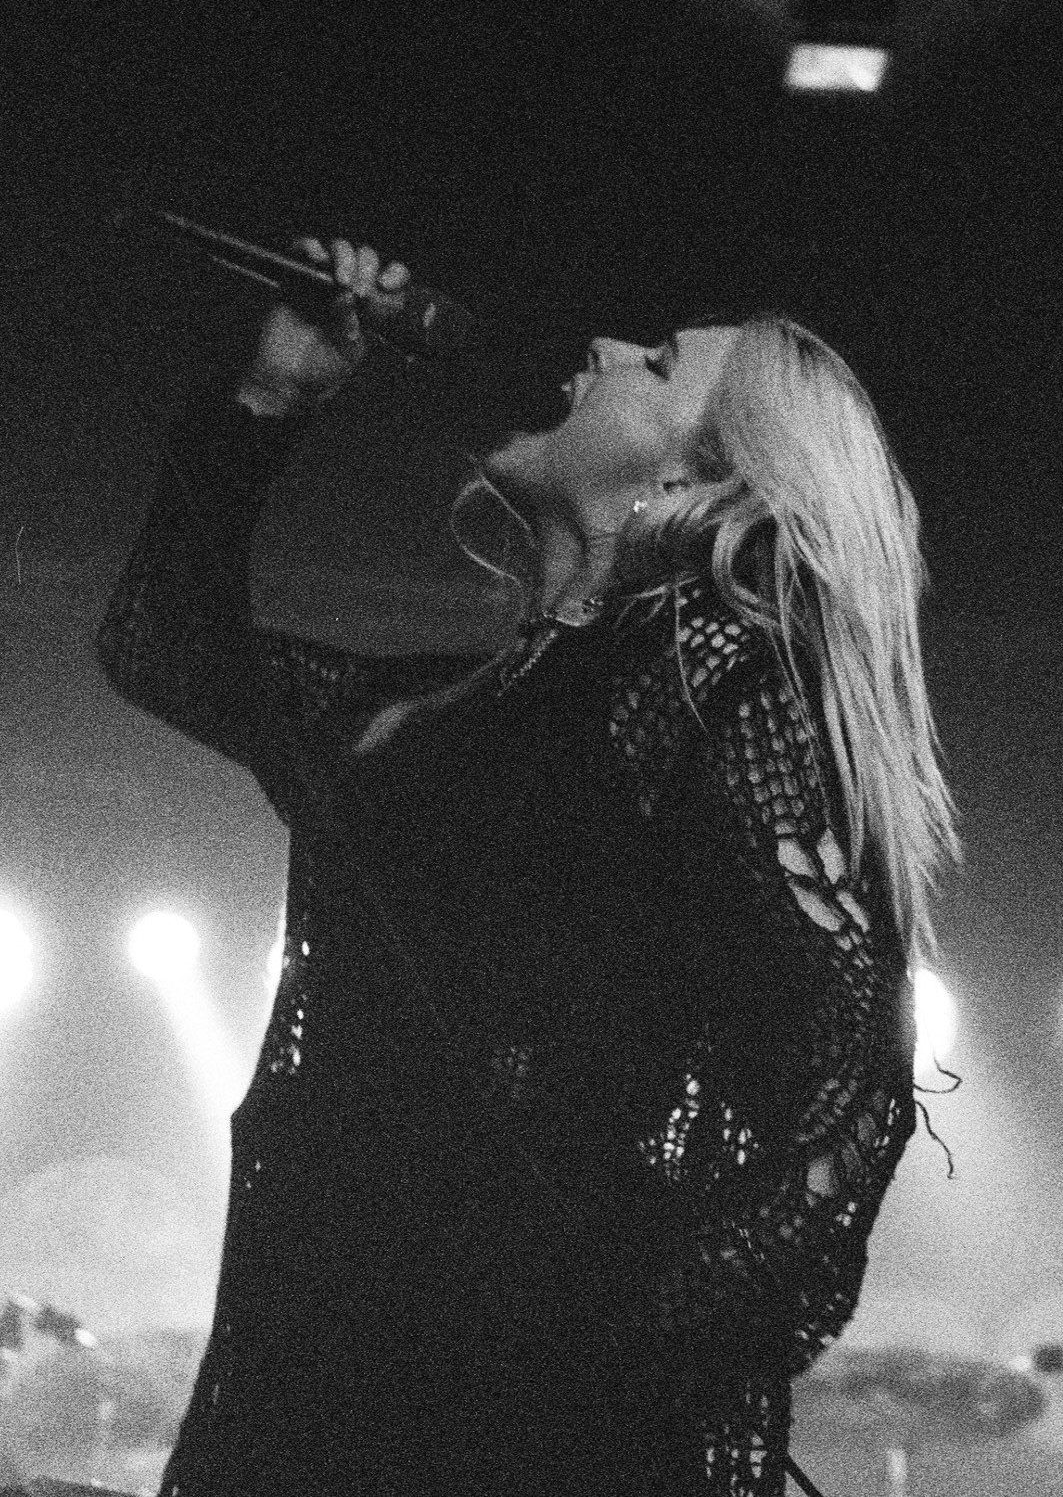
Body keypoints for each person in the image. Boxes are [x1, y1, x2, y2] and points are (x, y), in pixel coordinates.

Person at [97, 237, 960, 1496]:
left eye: (656, 366)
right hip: (321, 1369)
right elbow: (159, 643)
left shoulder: (703, 671)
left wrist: (631, 1336)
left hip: (531, 1424)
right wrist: (273, 395)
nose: (605, 349)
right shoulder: (437, 717)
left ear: (698, 474)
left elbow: (846, 1062)